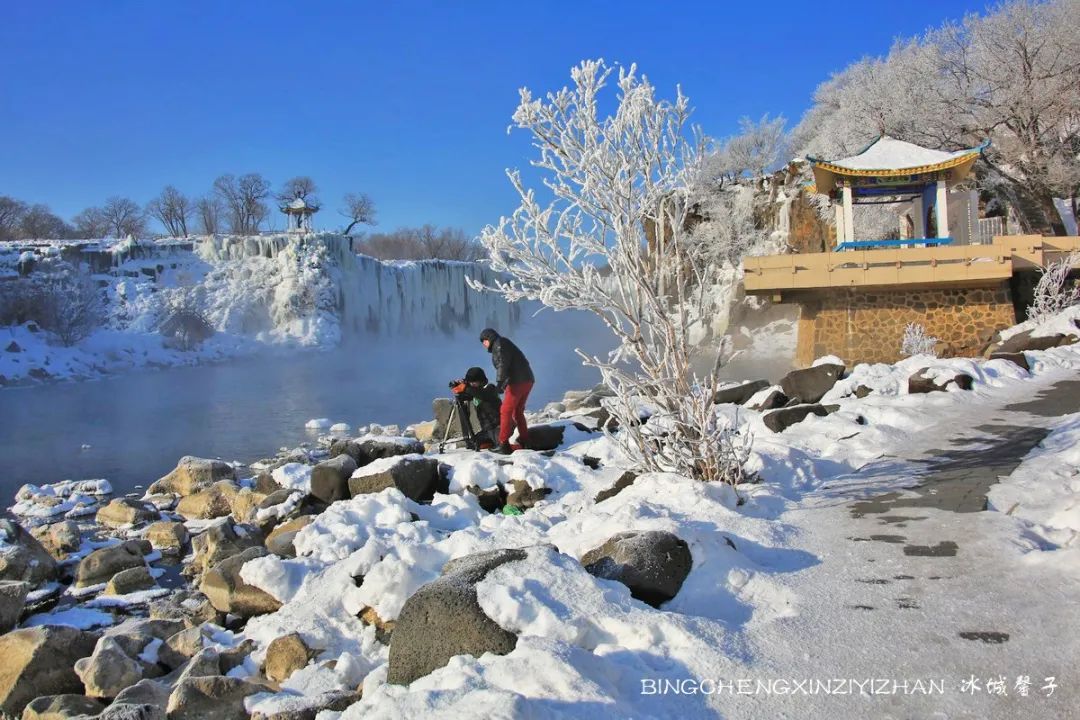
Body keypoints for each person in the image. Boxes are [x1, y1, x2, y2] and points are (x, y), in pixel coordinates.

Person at [479, 327, 535, 454]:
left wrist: (499, 383)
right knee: (517, 411)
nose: (483, 344)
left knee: (505, 410)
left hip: (517, 382)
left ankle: (503, 443)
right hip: (527, 379)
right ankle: (525, 439)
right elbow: (510, 365)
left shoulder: (499, 344)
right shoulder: (503, 343)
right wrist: (503, 385)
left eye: (484, 341)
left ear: (489, 338)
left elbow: (503, 364)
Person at [449, 366, 502, 449]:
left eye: (473, 382)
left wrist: (465, 387)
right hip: (488, 429)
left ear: (480, 380)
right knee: (472, 443)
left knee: (500, 445)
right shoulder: (475, 390)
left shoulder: (490, 388)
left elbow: (482, 395)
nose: (471, 384)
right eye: (470, 382)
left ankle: (500, 444)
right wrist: (458, 387)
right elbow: (471, 393)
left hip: (498, 427)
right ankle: (490, 443)